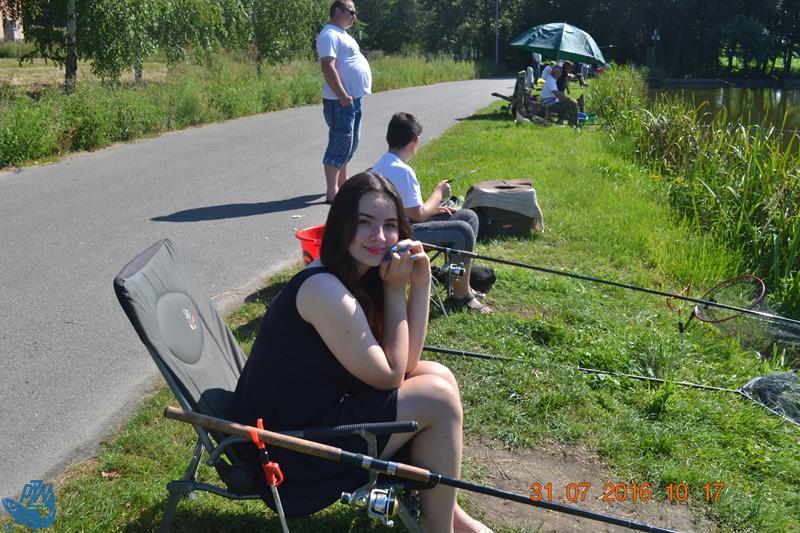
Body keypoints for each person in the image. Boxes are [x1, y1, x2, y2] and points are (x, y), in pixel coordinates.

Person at [231, 172, 492, 533]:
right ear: (342, 225)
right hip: (288, 451)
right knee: (436, 398)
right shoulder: (325, 289)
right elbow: (390, 376)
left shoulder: (359, 273)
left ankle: (448, 515)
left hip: (318, 418)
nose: (379, 236)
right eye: (364, 222)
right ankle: (441, 528)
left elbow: (407, 363)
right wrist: (395, 290)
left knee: (437, 375)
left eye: (389, 225)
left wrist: (420, 283)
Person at [372, 112, 493, 313]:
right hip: (400, 237)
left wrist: (434, 210)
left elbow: (408, 210)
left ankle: (462, 284)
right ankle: (461, 297)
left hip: (398, 226)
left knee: (468, 216)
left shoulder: (383, 164)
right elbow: (418, 215)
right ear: (415, 141)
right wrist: (439, 193)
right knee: (462, 231)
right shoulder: (403, 171)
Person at [316, 1, 372, 203]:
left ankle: (342, 182)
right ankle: (333, 192)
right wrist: (342, 95)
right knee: (340, 143)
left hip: (352, 100)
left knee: (350, 144)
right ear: (338, 11)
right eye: (351, 12)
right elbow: (327, 67)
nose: (354, 16)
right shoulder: (329, 34)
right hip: (340, 101)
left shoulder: (343, 34)